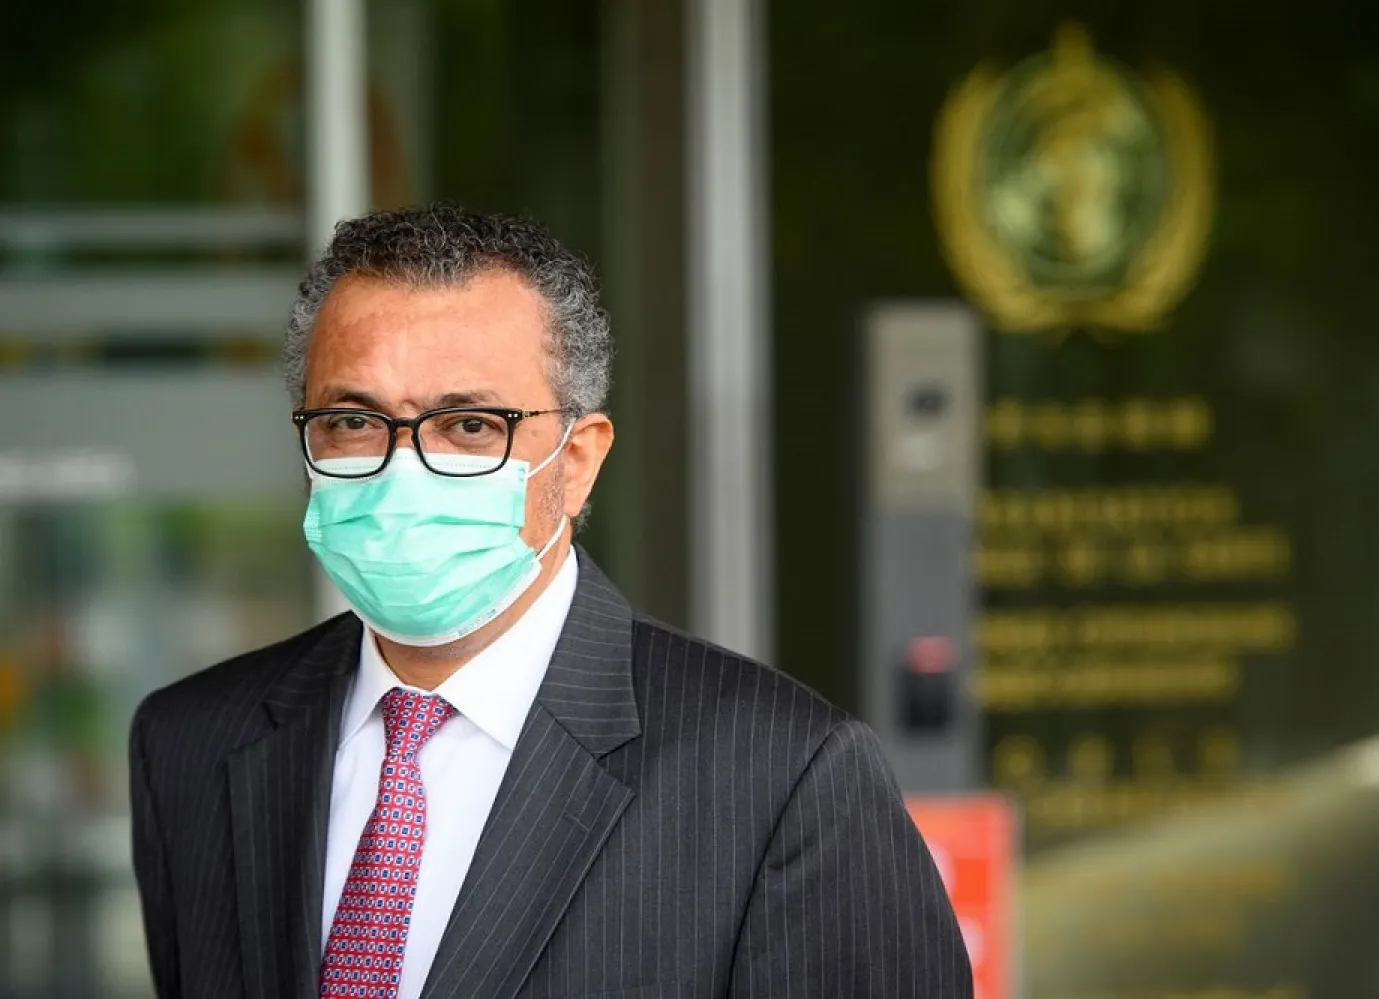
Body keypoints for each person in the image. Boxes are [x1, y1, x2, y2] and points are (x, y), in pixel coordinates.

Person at [128, 205, 971, 999]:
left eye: (469, 426)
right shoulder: (191, 745)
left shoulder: (782, 776)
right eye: (353, 422)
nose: (400, 467)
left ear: (576, 461)